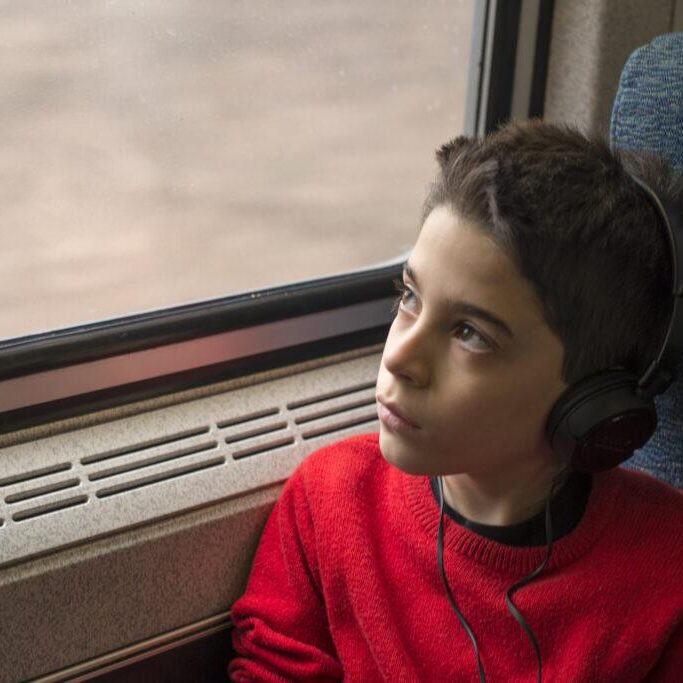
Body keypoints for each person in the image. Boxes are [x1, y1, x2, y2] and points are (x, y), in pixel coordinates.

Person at [228, 121, 683, 682]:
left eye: (470, 333)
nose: (400, 357)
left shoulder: (667, 574)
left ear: (593, 399)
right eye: (410, 296)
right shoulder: (328, 504)